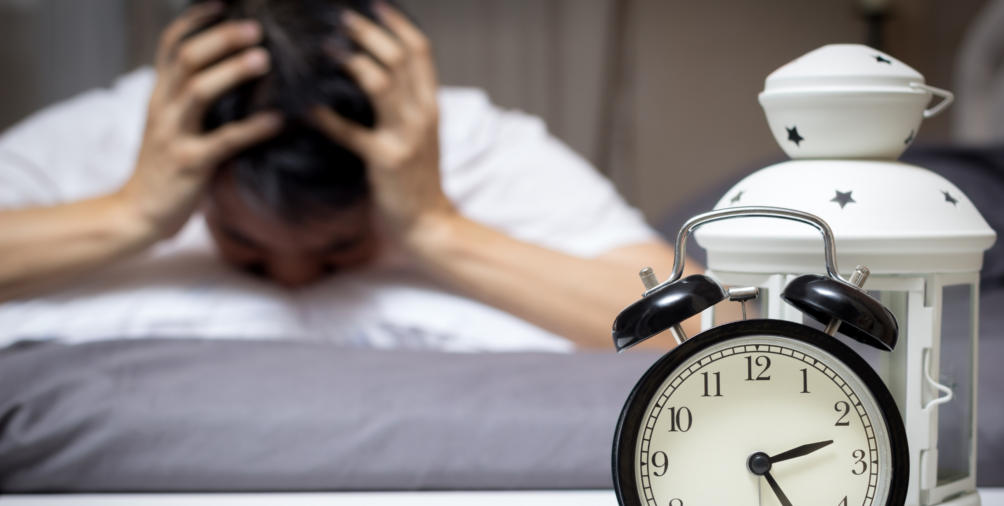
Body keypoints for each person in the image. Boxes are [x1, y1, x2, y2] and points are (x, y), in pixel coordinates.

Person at [0, 0, 696, 352]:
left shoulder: (460, 140)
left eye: (340, 250)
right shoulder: (148, 130)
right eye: (247, 249)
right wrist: (131, 213)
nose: (295, 278)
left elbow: (702, 317)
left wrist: (434, 226)